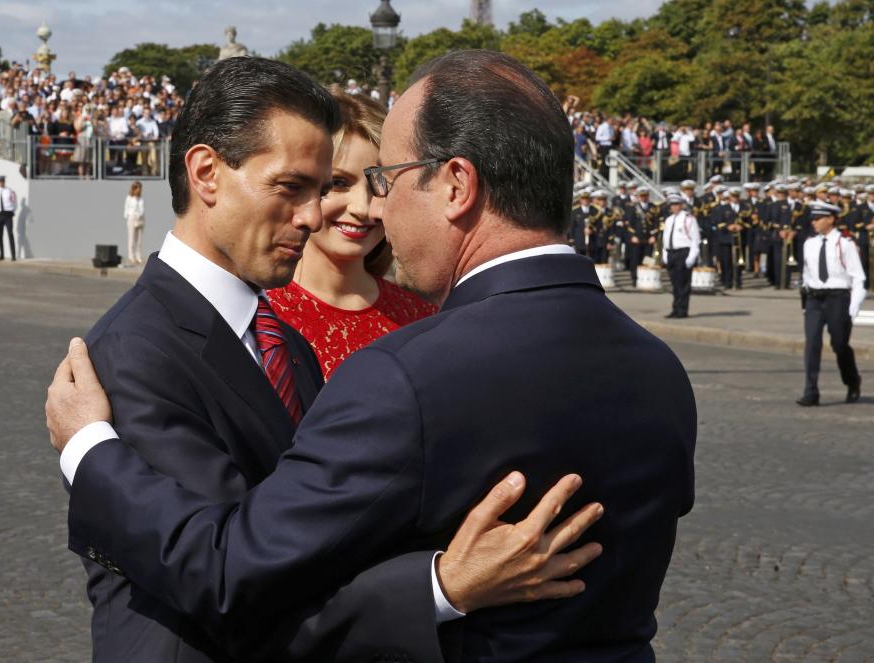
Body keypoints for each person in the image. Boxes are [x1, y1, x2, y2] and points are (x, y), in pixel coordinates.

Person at [47, 51, 696, 661]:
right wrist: (440, 583)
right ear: (206, 173)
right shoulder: (661, 371)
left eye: (386, 179)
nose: (370, 207)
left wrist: (88, 450)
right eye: (298, 187)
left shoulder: (403, 374)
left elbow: (240, 569)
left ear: (456, 184)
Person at [267, 92, 437, 379]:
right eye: (339, 183)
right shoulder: (258, 315)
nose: (363, 208)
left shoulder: (422, 317)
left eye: (379, 185)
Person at [797, 201, 865, 406]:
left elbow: (858, 277)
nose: (814, 222)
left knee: (839, 344)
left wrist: (853, 307)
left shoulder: (845, 244)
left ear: (831, 219)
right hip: (814, 299)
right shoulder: (810, 243)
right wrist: (805, 301)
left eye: (818, 218)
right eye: (813, 218)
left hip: (838, 298)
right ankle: (811, 391)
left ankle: (852, 381)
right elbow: (807, 274)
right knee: (812, 344)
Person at [663, 193, 700, 318]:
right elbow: (665, 239)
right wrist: (664, 253)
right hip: (671, 253)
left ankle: (682, 310)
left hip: (683, 253)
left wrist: (691, 257)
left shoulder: (689, 219)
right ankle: (675, 309)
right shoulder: (669, 220)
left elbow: (695, 240)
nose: (674, 207)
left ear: (681, 205)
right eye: (672, 205)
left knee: (683, 283)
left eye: (676, 204)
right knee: (674, 284)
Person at [0, 175, 17, 261]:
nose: (1, 183)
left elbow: (14, 202)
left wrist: (12, 211)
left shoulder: (10, 191)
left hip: (7, 215)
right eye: (0, 181)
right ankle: (1, 254)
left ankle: (13, 256)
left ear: (4, 182)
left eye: (3, 181)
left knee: (10, 234)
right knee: (0, 235)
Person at [123, 181, 145, 265]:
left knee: (139, 239)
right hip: (132, 218)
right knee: (131, 238)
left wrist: (140, 215)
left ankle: (138, 256)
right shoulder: (129, 198)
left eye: (140, 188)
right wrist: (129, 216)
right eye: (138, 188)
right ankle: (131, 256)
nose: (139, 190)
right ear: (134, 189)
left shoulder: (141, 198)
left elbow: (142, 209)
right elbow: (126, 208)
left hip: (140, 218)